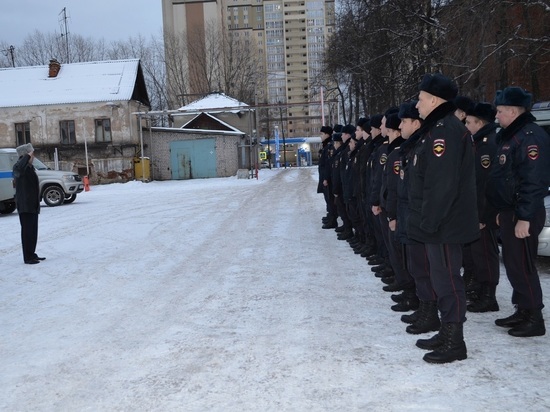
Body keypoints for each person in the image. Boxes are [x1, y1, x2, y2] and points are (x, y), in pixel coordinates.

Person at [409, 73, 479, 363]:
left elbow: (442, 184)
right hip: (440, 222)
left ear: (435, 100)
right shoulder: (437, 128)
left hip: (445, 223)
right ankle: (447, 329)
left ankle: (455, 341)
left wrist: (428, 221)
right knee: (441, 278)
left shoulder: (444, 131)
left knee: (449, 280)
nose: (417, 105)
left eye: (421, 99)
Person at [487, 86, 550, 337]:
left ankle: (534, 317)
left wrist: (524, 217)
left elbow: (533, 181)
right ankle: (522, 308)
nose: (497, 116)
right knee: (513, 264)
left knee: (523, 265)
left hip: (524, 213)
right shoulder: (513, 135)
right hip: (510, 210)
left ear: (513, 111)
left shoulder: (530, 136)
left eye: (500, 111)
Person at [464, 102, 500, 313]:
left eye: (469, 122)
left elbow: (484, 184)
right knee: (478, 254)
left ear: (480, 122)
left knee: (486, 254)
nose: (466, 125)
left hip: (483, 212)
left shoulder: (487, 144)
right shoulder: (477, 142)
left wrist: (483, 216)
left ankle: (489, 296)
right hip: (475, 211)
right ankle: (480, 289)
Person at [13, 143, 44, 264]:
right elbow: (19, 168)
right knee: (27, 232)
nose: (34, 157)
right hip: (25, 206)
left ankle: (32, 253)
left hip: (32, 205)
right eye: (32, 154)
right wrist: (27, 156)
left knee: (33, 232)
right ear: (25, 155)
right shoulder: (19, 167)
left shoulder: (30, 168)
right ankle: (28, 257)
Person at [318, 126, 337, 229]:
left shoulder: (330, 146)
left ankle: (333, 219)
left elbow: (328, 164)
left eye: (322, 134)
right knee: (327, 198)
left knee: (330, 199)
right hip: (325, 177)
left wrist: (326, 178)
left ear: (327, 135)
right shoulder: (325, 146)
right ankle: (330, 215)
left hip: (328, 178)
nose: (320, 136)